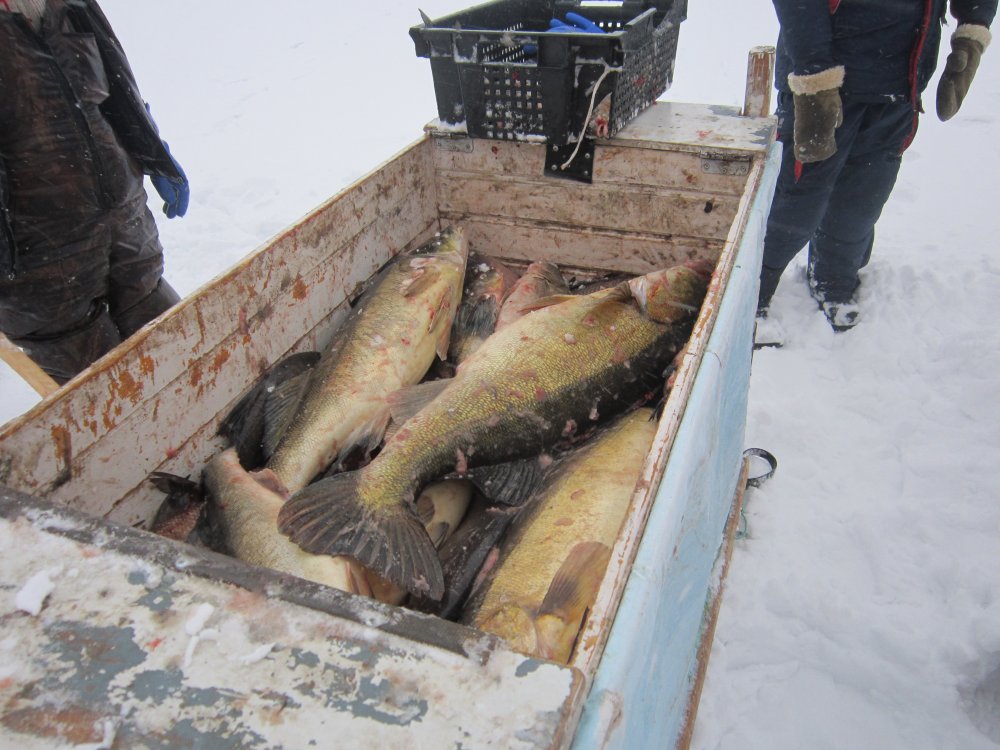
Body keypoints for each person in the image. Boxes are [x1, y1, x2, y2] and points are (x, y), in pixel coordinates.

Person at [757, 0, 996, 332]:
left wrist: (972, 32)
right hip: (824, 83)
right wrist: (814, 76)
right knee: (796, 200)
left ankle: (833, 279)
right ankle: (752, 291)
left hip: (901, 80)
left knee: (862, 198)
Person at [0, 0, 189, 383]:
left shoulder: (67, 4)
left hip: (131, 244)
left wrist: (155, 150)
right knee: (120, 404)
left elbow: (115, 86)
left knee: (195, 364)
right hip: (45, 282)